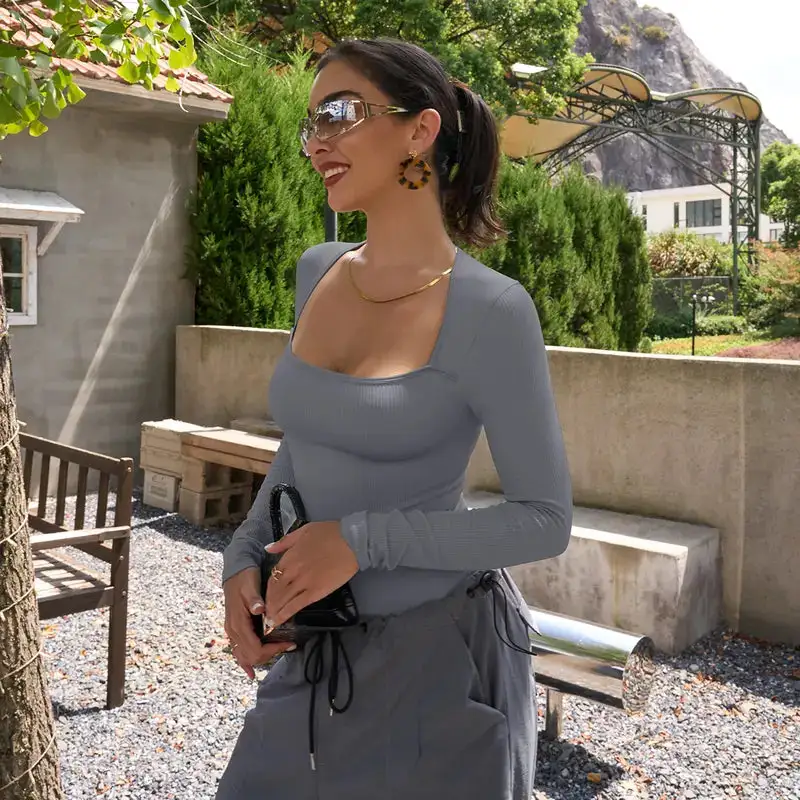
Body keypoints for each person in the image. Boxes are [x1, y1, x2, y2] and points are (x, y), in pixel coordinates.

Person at [216, 37, 573, 800]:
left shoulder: (493, 310)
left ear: (421, 130)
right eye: (310, 124)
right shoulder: (317, 271)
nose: (316, 142)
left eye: (339, 114)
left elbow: (545, 521)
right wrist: (243, 555)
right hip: (316, 648)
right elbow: (304, 446)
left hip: (438, 666)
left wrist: (359, 541)